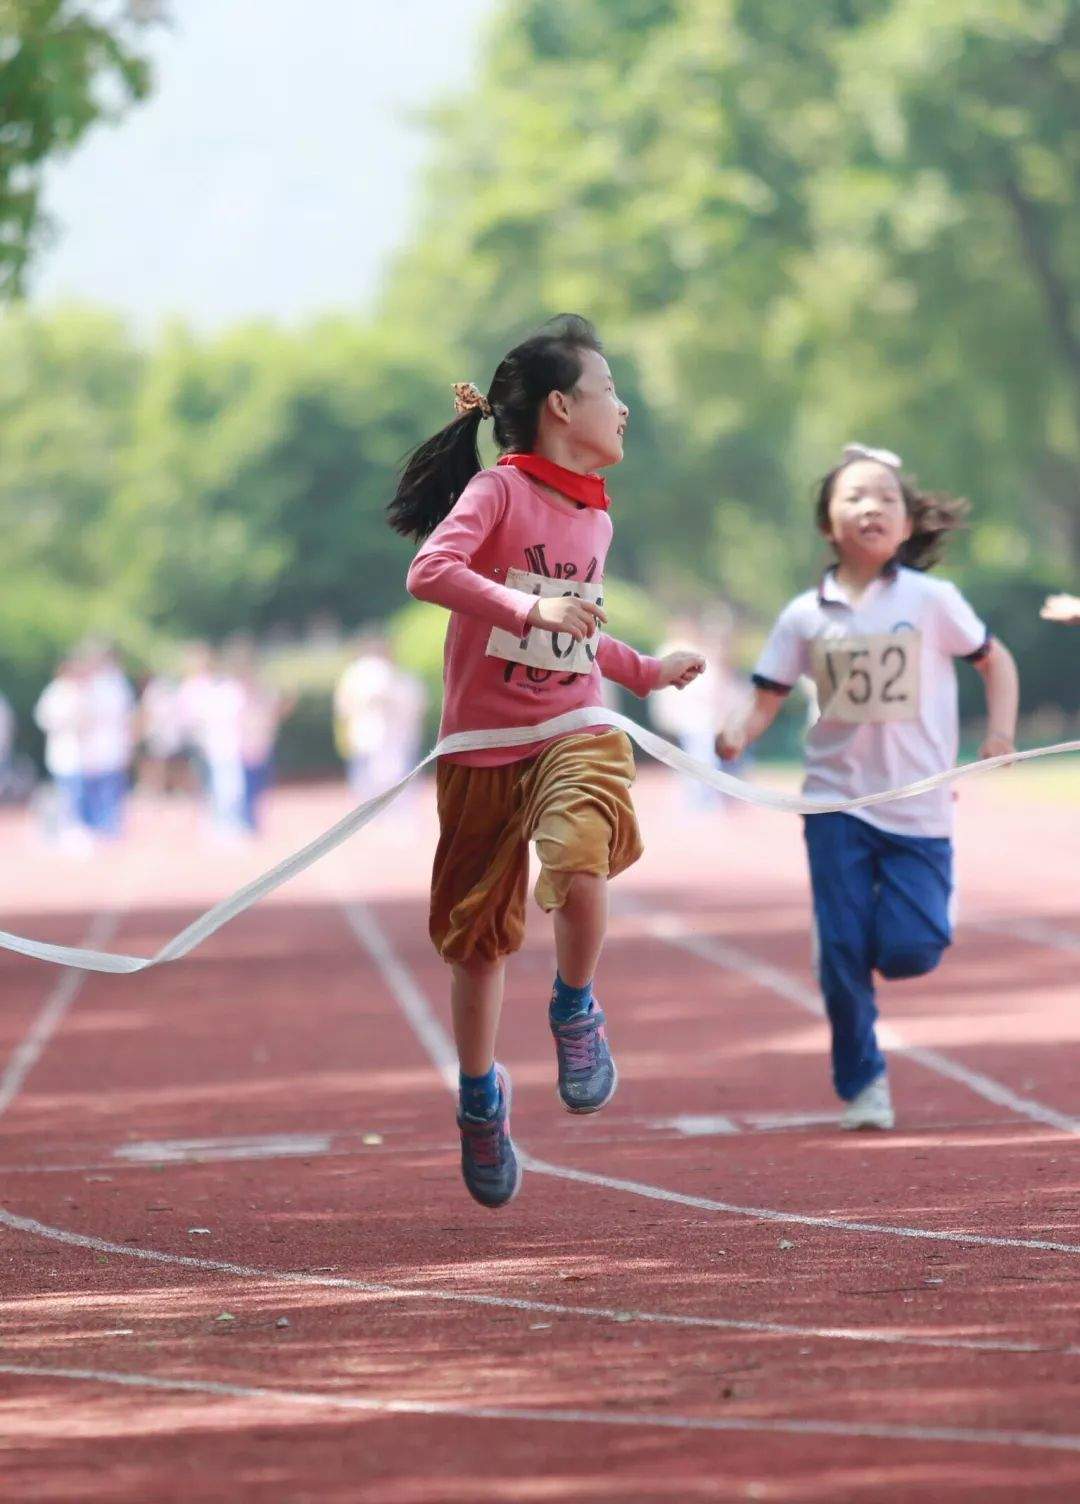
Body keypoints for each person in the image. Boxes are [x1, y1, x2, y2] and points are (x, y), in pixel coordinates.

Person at [388, 314, 704, 1209]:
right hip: (482, 746)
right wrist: (528, 614)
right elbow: (429, 574)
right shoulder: (498, 492)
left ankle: (575, 1006)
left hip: (572, 726)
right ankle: (480, 1098)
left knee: (580, 854)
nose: (626, 409)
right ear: (564, 407)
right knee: (475, 942)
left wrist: (642, 671)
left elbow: (579, 634)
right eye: (612, 392)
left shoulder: (594, 520)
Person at [717, 442, 1019, 1132]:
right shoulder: (804, 615)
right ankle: (864, 1083)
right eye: (854, 496)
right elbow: (765, 697)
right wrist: (736, 734)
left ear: (907, 524)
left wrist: (999, 733)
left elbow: (993, 661)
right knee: (844, 952)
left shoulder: (932, 600)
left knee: (910, 950)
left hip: (920, 804)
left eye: (886, 496)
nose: (871, 507)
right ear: (829, 524)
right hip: (835, 805)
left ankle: (903, 918)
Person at [334, 635, 427, 801]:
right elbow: (344, 707)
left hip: (397, 740)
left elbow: (415, 707)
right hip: (365, 739)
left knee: (398, 785)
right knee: (366, 786)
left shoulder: (402, 678)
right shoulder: (357, 676)